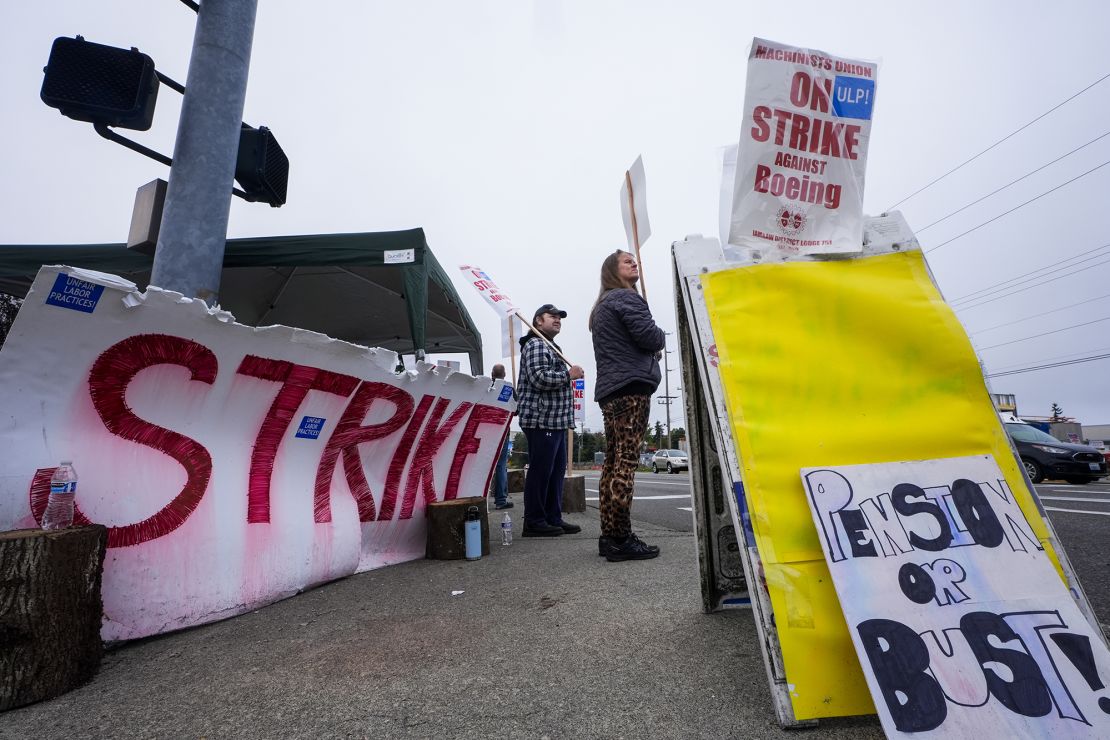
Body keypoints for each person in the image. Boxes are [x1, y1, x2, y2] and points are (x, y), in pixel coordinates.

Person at [589, 250, 666, 561]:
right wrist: (658, 336)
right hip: (631, 390)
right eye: (627, 261)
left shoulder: (602, 306)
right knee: (627, 462)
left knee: (612, 461)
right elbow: (651, 338)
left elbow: (624, 344)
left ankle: (609, 534)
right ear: (613, 270)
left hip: (611, 391)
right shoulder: (627, 299)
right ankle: (621, 537)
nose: (634, 264)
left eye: (635, 260)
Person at [517, 304, 585, 537]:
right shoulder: (536, 344)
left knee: (556, 471)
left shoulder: (551, 346)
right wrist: (569, 375)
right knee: (541, 471)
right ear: (538, 321)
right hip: (541, 420)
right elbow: (539, 378)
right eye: (552, 316)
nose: (557, 320)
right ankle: (535, 521)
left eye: (559, 317)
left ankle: (552, 517)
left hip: (555, 421)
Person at [489, 363, 513, 510]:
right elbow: (515, 410)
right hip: (503, 430)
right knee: (501, 465)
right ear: (504, 374)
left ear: (492, 374)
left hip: (486, 430)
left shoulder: (486, 387)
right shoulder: (508, 389)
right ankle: (500, 500)